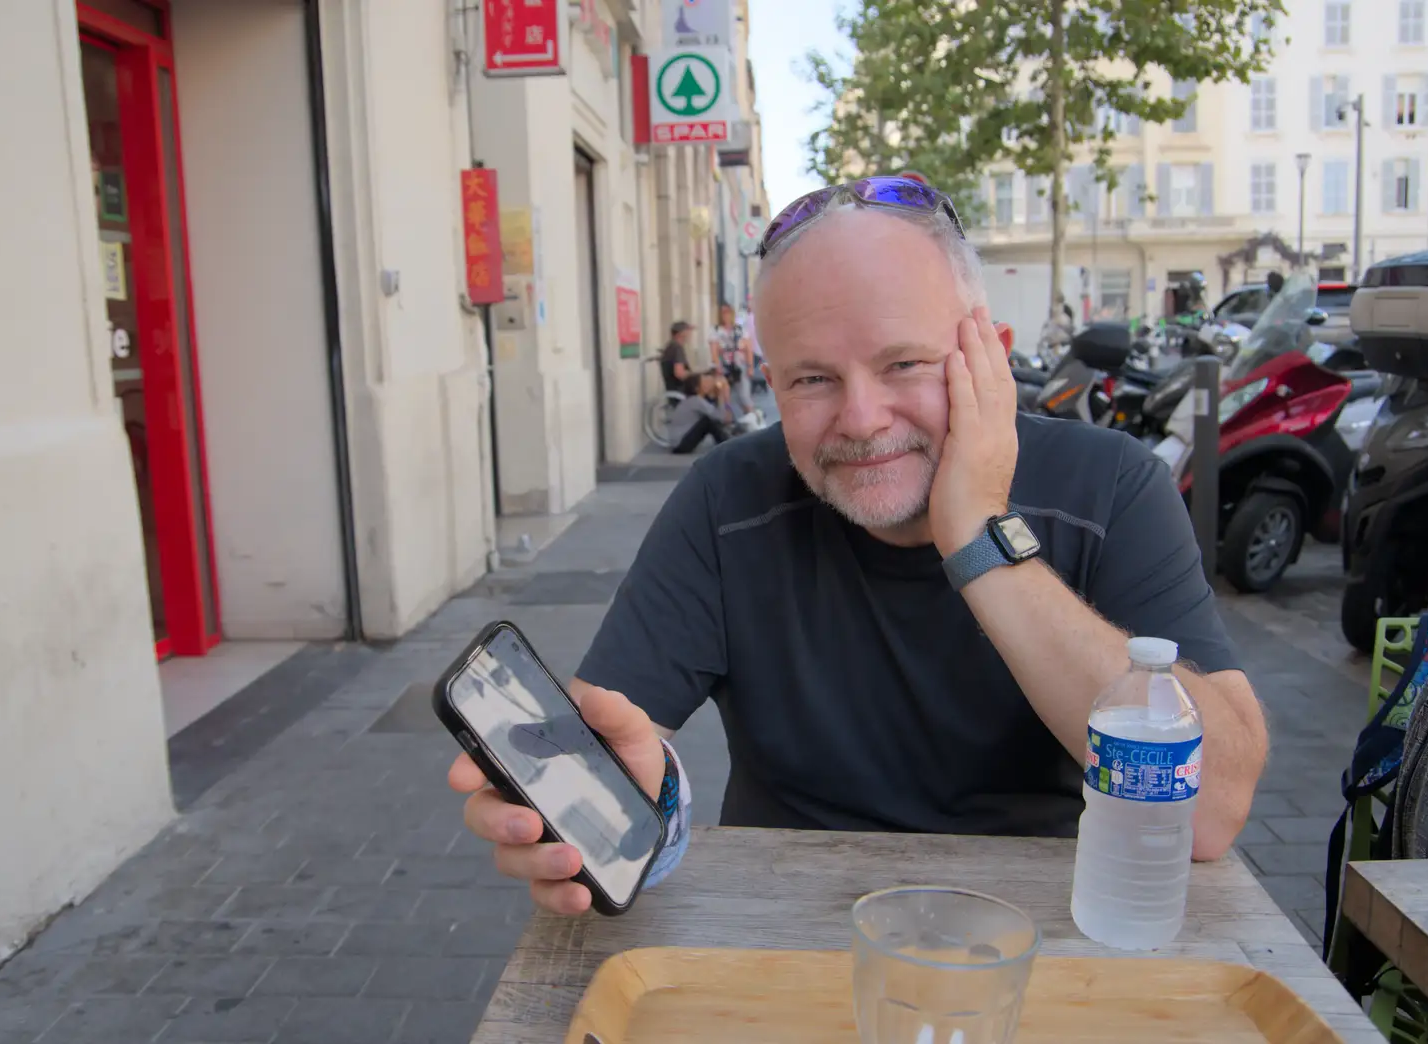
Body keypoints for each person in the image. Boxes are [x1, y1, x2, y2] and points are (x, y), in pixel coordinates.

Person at [449, 176, 1269, 916]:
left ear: (989, 352)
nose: (863, 418)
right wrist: (631, 809)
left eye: (905, 363)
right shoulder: (728, 497)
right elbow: (618, 745)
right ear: (772, 385)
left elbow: (1211, 810)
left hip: (1050, 933)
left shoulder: (1112, 486)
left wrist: (980, 538)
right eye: (813, 379)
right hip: (791, 939)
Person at [667, 372, 732, 455]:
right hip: (681, 445)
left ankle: (727, 441)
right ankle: (727, 443)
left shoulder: (693, 400)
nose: (709, 383)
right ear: (697, 388)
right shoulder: (696, 401)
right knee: (708, 421)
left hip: (680, 443)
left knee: (710, 419)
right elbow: (721, 417)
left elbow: (724, 418)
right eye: (705, 382)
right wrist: (721, 396)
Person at [710, 304, 756, 418]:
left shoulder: (740, 330)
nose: (726, 315)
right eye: (723, 313)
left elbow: (748, 349)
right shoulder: (716, 330)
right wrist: (717, 366)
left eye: (728, 312)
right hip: (724, 367)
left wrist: (750, 367)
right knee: (724, 396)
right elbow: (714, 351)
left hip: (740, 366)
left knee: (744, 396)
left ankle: (752, 418)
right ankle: (727, 418)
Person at [659, 320, 696, 393]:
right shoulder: (677, 348)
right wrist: (694, 376)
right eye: (688, 331)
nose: (690, 334)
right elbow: (679, 373)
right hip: (681, 391)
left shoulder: (670, 347)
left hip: (674, 390)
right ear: (681, 333)